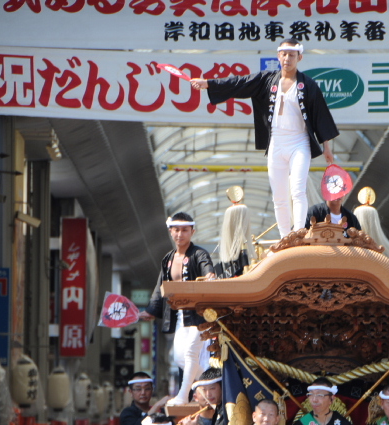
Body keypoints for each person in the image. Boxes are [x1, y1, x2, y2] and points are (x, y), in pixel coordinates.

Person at [190, 39, 339, 239]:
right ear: (278, 56)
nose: (287, 58)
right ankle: (286, 236)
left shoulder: (308, 85)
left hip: (299, 142)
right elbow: (239, 82)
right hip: (276, 142)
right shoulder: (267, 80)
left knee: (297, 190)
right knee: (279, 196)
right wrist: (208, 83)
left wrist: (326, 146)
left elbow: (321, 114)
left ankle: (299, 232)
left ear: (300, 57)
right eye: (284, 54)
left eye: (292, 55)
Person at [140, 212, 216, 405]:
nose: (180, 234)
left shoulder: (199, 254)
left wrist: (209, 276)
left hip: (200, 314)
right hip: (180, 315)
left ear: (192, 232)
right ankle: (211, 380)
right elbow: (160, 287)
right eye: (176, 230)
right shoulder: (168, 258)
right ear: (170, 232)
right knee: (179, 357)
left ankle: (183, 395)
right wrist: (151, 310)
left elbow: (207, 268)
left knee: (190, 352)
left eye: (184, 230)